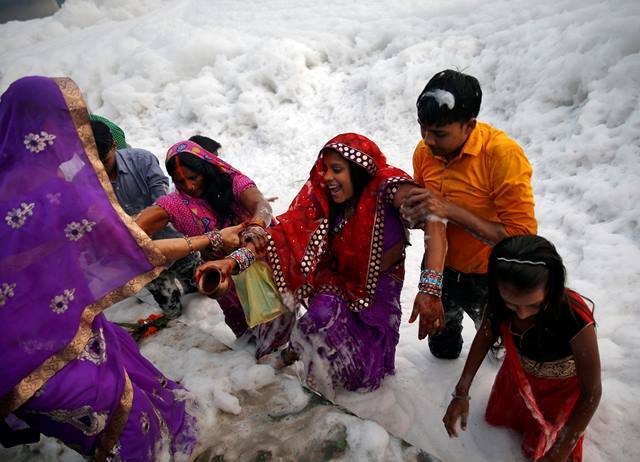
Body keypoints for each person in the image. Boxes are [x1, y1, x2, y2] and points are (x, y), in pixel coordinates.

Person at [0, 76, 242, 460]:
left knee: (129, 371)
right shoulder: (59, 193)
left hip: (45, 340)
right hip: (43, 356)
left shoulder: (34, 184)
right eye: (65, 123)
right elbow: (135, 245)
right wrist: (212, 240)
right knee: (127, 427)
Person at [196, 133, 447, 397]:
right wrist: (233, 261)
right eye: (325, 169)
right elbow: (280, 235)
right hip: (336, 280)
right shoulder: (322, 195)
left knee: (364, 379)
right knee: (318, 320)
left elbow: (433, 215)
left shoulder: (386, 187)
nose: (327, 177)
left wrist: (430, 288)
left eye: (337, 170)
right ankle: (295, 362)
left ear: (359, 170)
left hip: (380, 291)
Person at [402, 69, 538, 359]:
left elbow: (523, 241)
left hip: (487, 277)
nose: (427, 140)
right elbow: (431, 217)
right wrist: (414, 216)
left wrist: (451, 210)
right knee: (442, 349)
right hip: (442, 270)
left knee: (498, 346)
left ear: (469, 126)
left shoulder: (502, 156)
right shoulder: (425, 152)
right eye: (422, 128)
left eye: (439, 133)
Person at [442, 235, 601, 462]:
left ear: (552, 288)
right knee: (511, 422)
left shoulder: (574, 318)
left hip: (559, 393)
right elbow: (485, 337)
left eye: (534, 305)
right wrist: (461, 392)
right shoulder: (497, 305)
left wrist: (559, 452)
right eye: (511, 304)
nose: (522, 314)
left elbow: (591, 393)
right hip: (517, 381)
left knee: (546, 441)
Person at [135, 139, 273, 338]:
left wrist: (257, 226)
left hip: (260, 257)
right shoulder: (175, 204)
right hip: (223, 275)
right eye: (180, 181)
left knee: (277, 315)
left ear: (206, 169)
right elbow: (133, 234)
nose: (189, 186)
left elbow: (261, 204)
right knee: (242, 322)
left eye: (193, 177)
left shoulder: (232, 181)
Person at [90, 118, 200, 319]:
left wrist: (138, 224)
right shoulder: (86, 182)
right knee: (171, 309)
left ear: (114, 146)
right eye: (94, 164)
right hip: (142, 259)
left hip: (174, 241)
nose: (101, 170)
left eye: (104, 161)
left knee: (200, 293)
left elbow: (163, 202)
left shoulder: (142, 160)